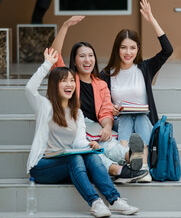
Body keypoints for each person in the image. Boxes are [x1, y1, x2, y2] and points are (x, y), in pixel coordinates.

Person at [25, 48, 140, 217]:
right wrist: (47, 63)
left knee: (91, 155)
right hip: (43, 166)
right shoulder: (45, 106)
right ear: (54, 84)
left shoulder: (77, 113)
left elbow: (79, 143)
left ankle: (114, 200)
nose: (70, 84)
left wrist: (89, 145)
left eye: (72, 80)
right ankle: (95, 202)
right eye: (64, 81)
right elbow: (29, 89)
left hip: (67, 164)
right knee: (74, 157)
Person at [50, 16, 147, 183]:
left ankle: (131, 157)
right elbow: (53, 56)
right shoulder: (68, 79)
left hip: (94, 131)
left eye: (90, 56)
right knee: (91, 151)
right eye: (82, 56)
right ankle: (120, 170)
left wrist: (108, 128)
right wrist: (65, 26)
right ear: (74, 60)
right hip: (74, 132)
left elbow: (106, 110)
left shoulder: (100, 84)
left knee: (107, 144)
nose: (87, 60)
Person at [100, 0, 173, 183]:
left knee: (140, 117)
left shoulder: (145, 68)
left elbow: (167, 50)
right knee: (126, 118)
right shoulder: (106, 74)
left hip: (143, 120)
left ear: (138, 49)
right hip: (118, 121)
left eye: (132, 48)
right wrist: (111, 110)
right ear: (117, 49)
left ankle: (140, 167)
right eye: (123, 47)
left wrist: (151, 20)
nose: (128, 52)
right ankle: (133, 164)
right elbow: (101, 104)